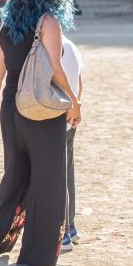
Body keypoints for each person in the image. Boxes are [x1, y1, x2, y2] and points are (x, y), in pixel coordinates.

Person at [0, 0, 81, 266]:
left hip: (10, 108)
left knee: (15, 175)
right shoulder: (49, 21)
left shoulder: (4, 29)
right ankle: (37, 254)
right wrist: (74, 103)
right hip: (39, 107)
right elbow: (57, 69)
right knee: (49, 180)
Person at [59, 35, 85, 253]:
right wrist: (75, 109)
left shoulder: (53, 45)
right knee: (67, 173)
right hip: (69, 118)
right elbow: (79, 83)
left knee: (56, 176)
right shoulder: (71, 45)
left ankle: (64, 231)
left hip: (56, 118)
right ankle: (72, 227)